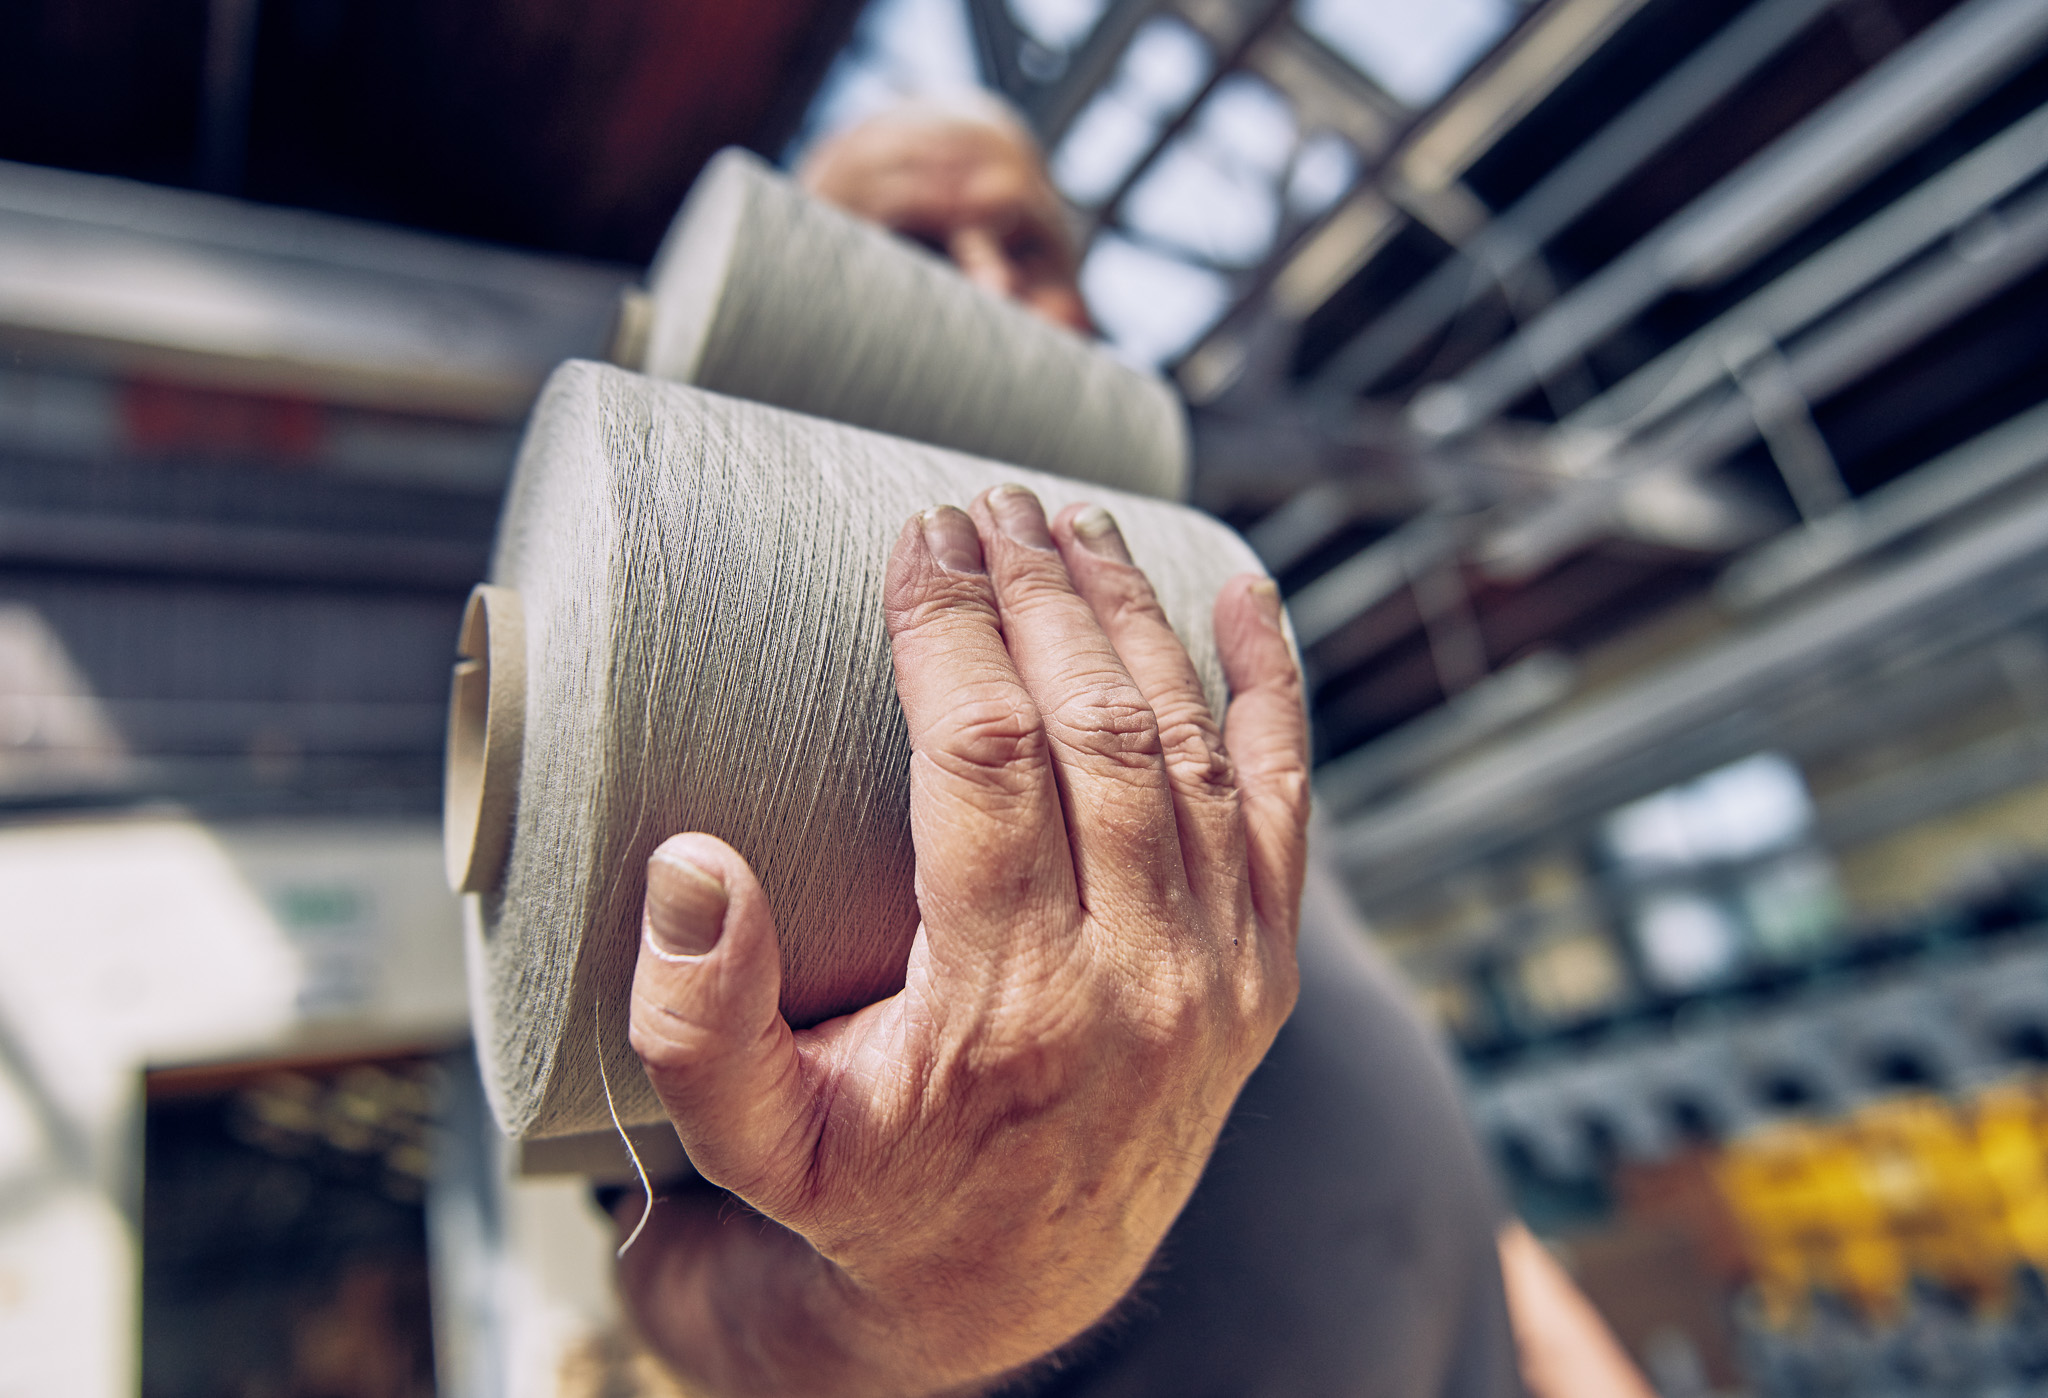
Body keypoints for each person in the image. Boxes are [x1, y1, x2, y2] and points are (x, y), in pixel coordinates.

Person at [608, 99, 1656, 1398]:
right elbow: (659, 1270)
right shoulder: (710, 706)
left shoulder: (1184, 626)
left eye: (1029, 247)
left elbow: (1417, 1142)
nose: (994, 289)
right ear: (800, 303)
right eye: (917, 251)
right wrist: (939, 1296)